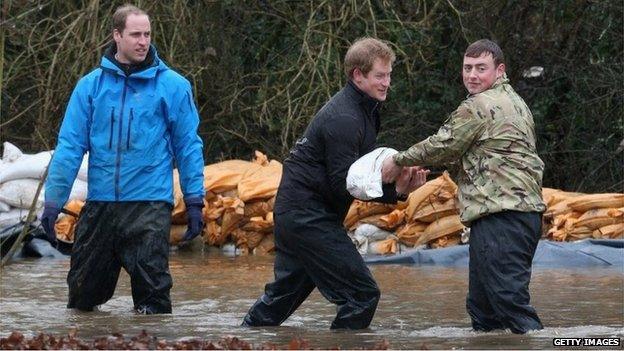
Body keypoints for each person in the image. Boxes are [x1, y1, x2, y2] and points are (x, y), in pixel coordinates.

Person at [242, 37, 428, 329]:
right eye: (380, 75)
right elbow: (346, 183)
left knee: (281, 299)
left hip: (300, 213)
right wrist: (394, 190)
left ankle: (240, 341)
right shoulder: (345, 118)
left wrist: (398, 188)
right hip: (307, 217)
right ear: (358, 75)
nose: (387, 82)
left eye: (389, 74)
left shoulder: (365, 112)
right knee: (362, 295)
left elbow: (359, 174)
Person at [40, 4, 205, 314]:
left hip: (149, 206)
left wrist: (195, 200)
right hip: (101, 204)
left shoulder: (173, 87)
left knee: (153, 300)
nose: (143, 41)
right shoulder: (90, 88)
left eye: (147, 34)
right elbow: (69, 147)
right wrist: (53, 201)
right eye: (135, 35)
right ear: (117, 35)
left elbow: (188, 147)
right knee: (81, 299)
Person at [382, 39, 546, 334]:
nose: (472, 75)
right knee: (482, 307)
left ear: (499, 70)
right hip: (512, 216)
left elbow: (443, 145)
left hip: (503, 217)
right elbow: (478, 155)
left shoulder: (479, 105)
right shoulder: (516, 102)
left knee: (509, 302)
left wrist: (398, 160)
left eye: (480, 68)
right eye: (467, 68)